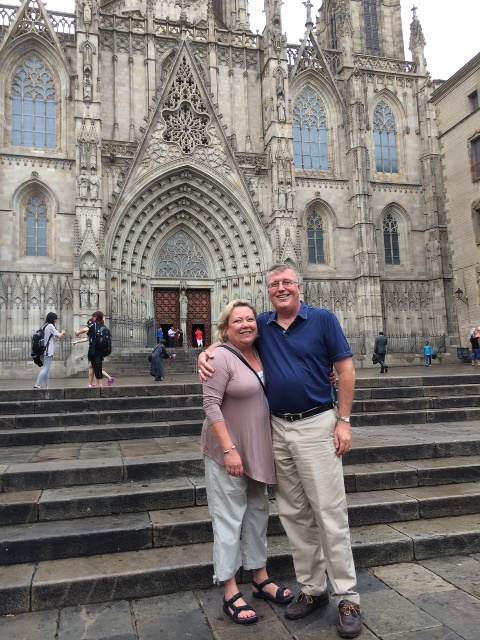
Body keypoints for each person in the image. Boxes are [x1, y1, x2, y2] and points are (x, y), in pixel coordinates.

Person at [199, 264, 362, 639]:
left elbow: (346, 369)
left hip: (318, 424)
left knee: (330, 513)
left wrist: (344, 421)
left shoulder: (322, 320)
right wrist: (206, 350)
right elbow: (231, 339)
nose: (281, 288)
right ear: (267, 291)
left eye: (287, 282)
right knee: (294, 515)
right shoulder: (264, 327)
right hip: (277, 430)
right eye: (274, 284)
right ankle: (313, 588)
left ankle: (348, 597)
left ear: (299, 286)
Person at [202, 299, 293, 626]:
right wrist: (229, 450)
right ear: (226, 328)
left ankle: (260, 577)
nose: (245, 325)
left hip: (257, 451)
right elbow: (211, 406)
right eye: (237, 321)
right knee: (228, 519)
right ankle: (229, 589)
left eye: (249, 319)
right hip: (228, 452)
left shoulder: (261, 352)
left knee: (257, 515)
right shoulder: (219, 358)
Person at [73, 318, 115, 386]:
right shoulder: (96, 331)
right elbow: (87, 339)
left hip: (95, 352)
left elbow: (85, 333)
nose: (89, 325)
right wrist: (77, 341)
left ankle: (97, 383)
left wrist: (78, 333)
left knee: (94, 367)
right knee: (93, 367)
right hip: (97, 352)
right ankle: (94, 383)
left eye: (89, 324)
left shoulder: (95, 332)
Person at [33, 312, 66, 389]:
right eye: (55, 319)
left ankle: (47, 386)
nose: (56, 321)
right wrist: (63, 332)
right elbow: (59, 336)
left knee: (46, 369)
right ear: (53, 319)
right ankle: (36, 384)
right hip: (48, 351)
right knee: (45, 369)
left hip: (43, 350)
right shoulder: (50, 326)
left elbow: (52, 338)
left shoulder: (44, 326)